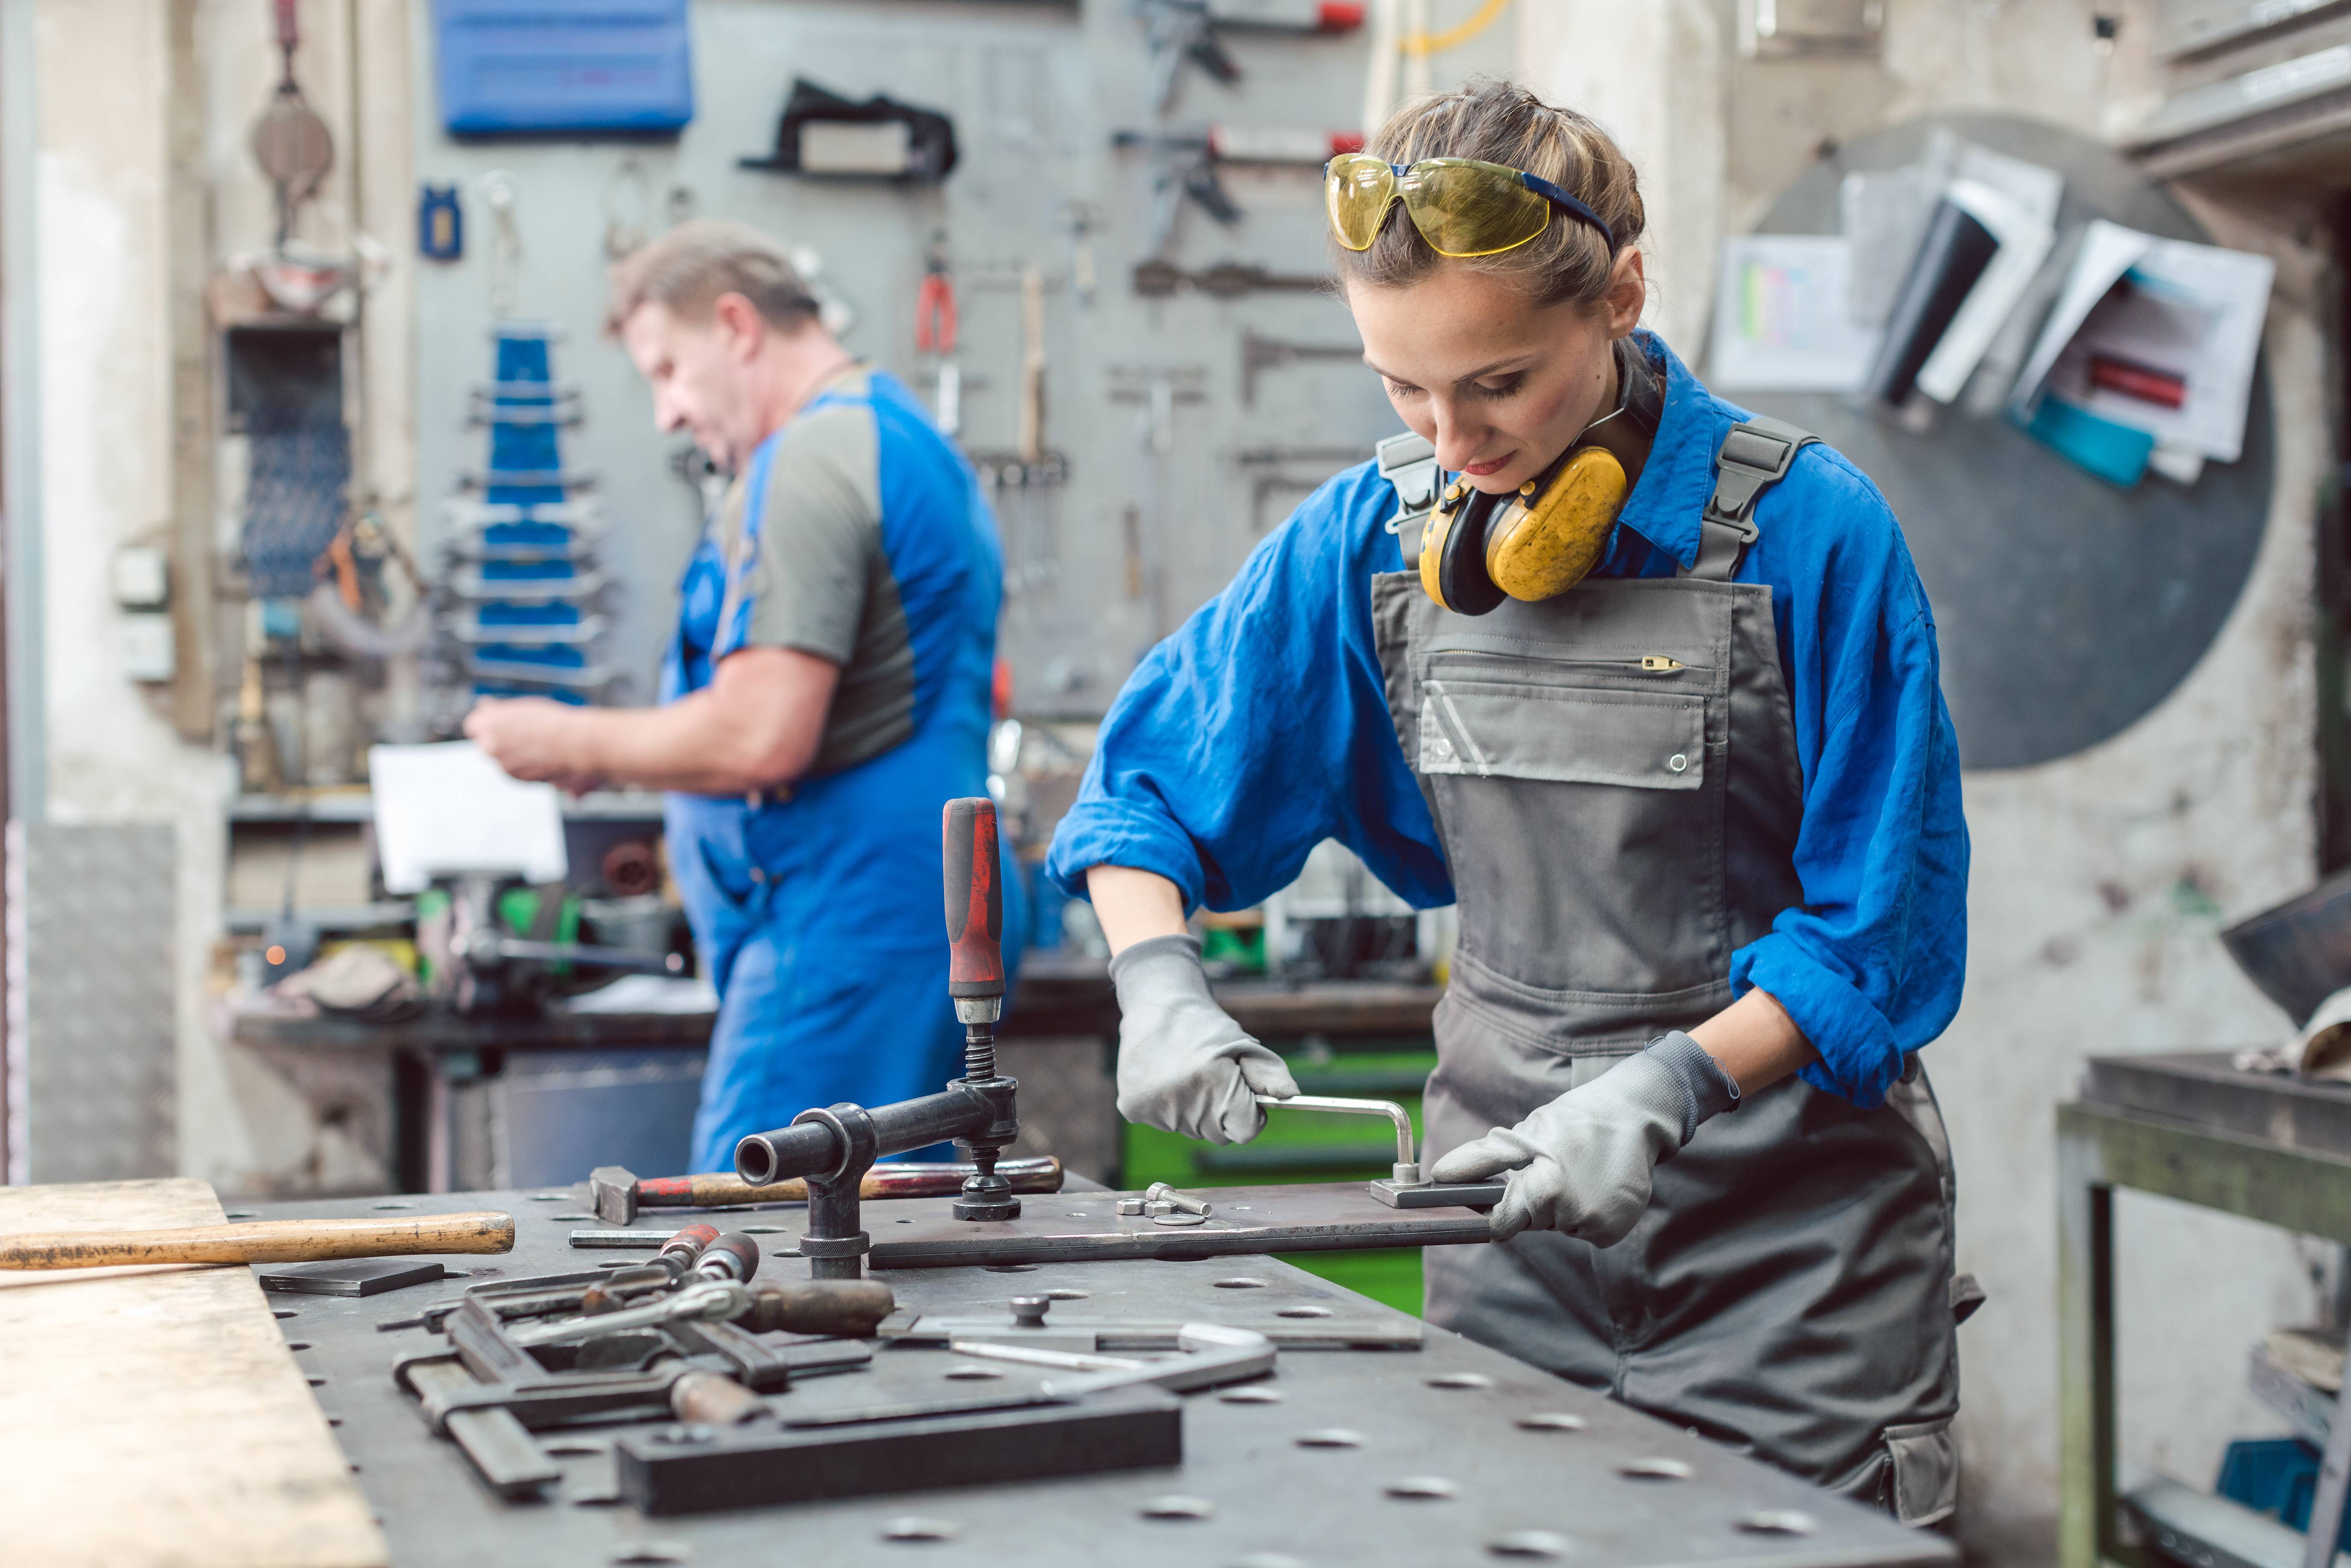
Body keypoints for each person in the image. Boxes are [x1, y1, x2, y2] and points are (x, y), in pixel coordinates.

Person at [1045, 81, 1969, 1524]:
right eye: (1403, 388)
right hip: (1504, 1233)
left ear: (1623, 296)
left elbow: (1882, 932)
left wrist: (1667, 1088)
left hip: (1796, 1271)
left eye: (1497, 383)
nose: (1452, 439)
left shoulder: (1812, 532)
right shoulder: (1376, 532)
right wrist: (1156, 978)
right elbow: (1148, 782)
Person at [466, 221, 1021, 1174]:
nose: (666, 413)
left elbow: (764, 732)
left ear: (736, 326)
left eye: (668, 370)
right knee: (862, 1242)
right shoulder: (899, 436)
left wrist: (571, 738)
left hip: (836, 927)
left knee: (763, 1241)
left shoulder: (807, 461)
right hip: (892, 910)